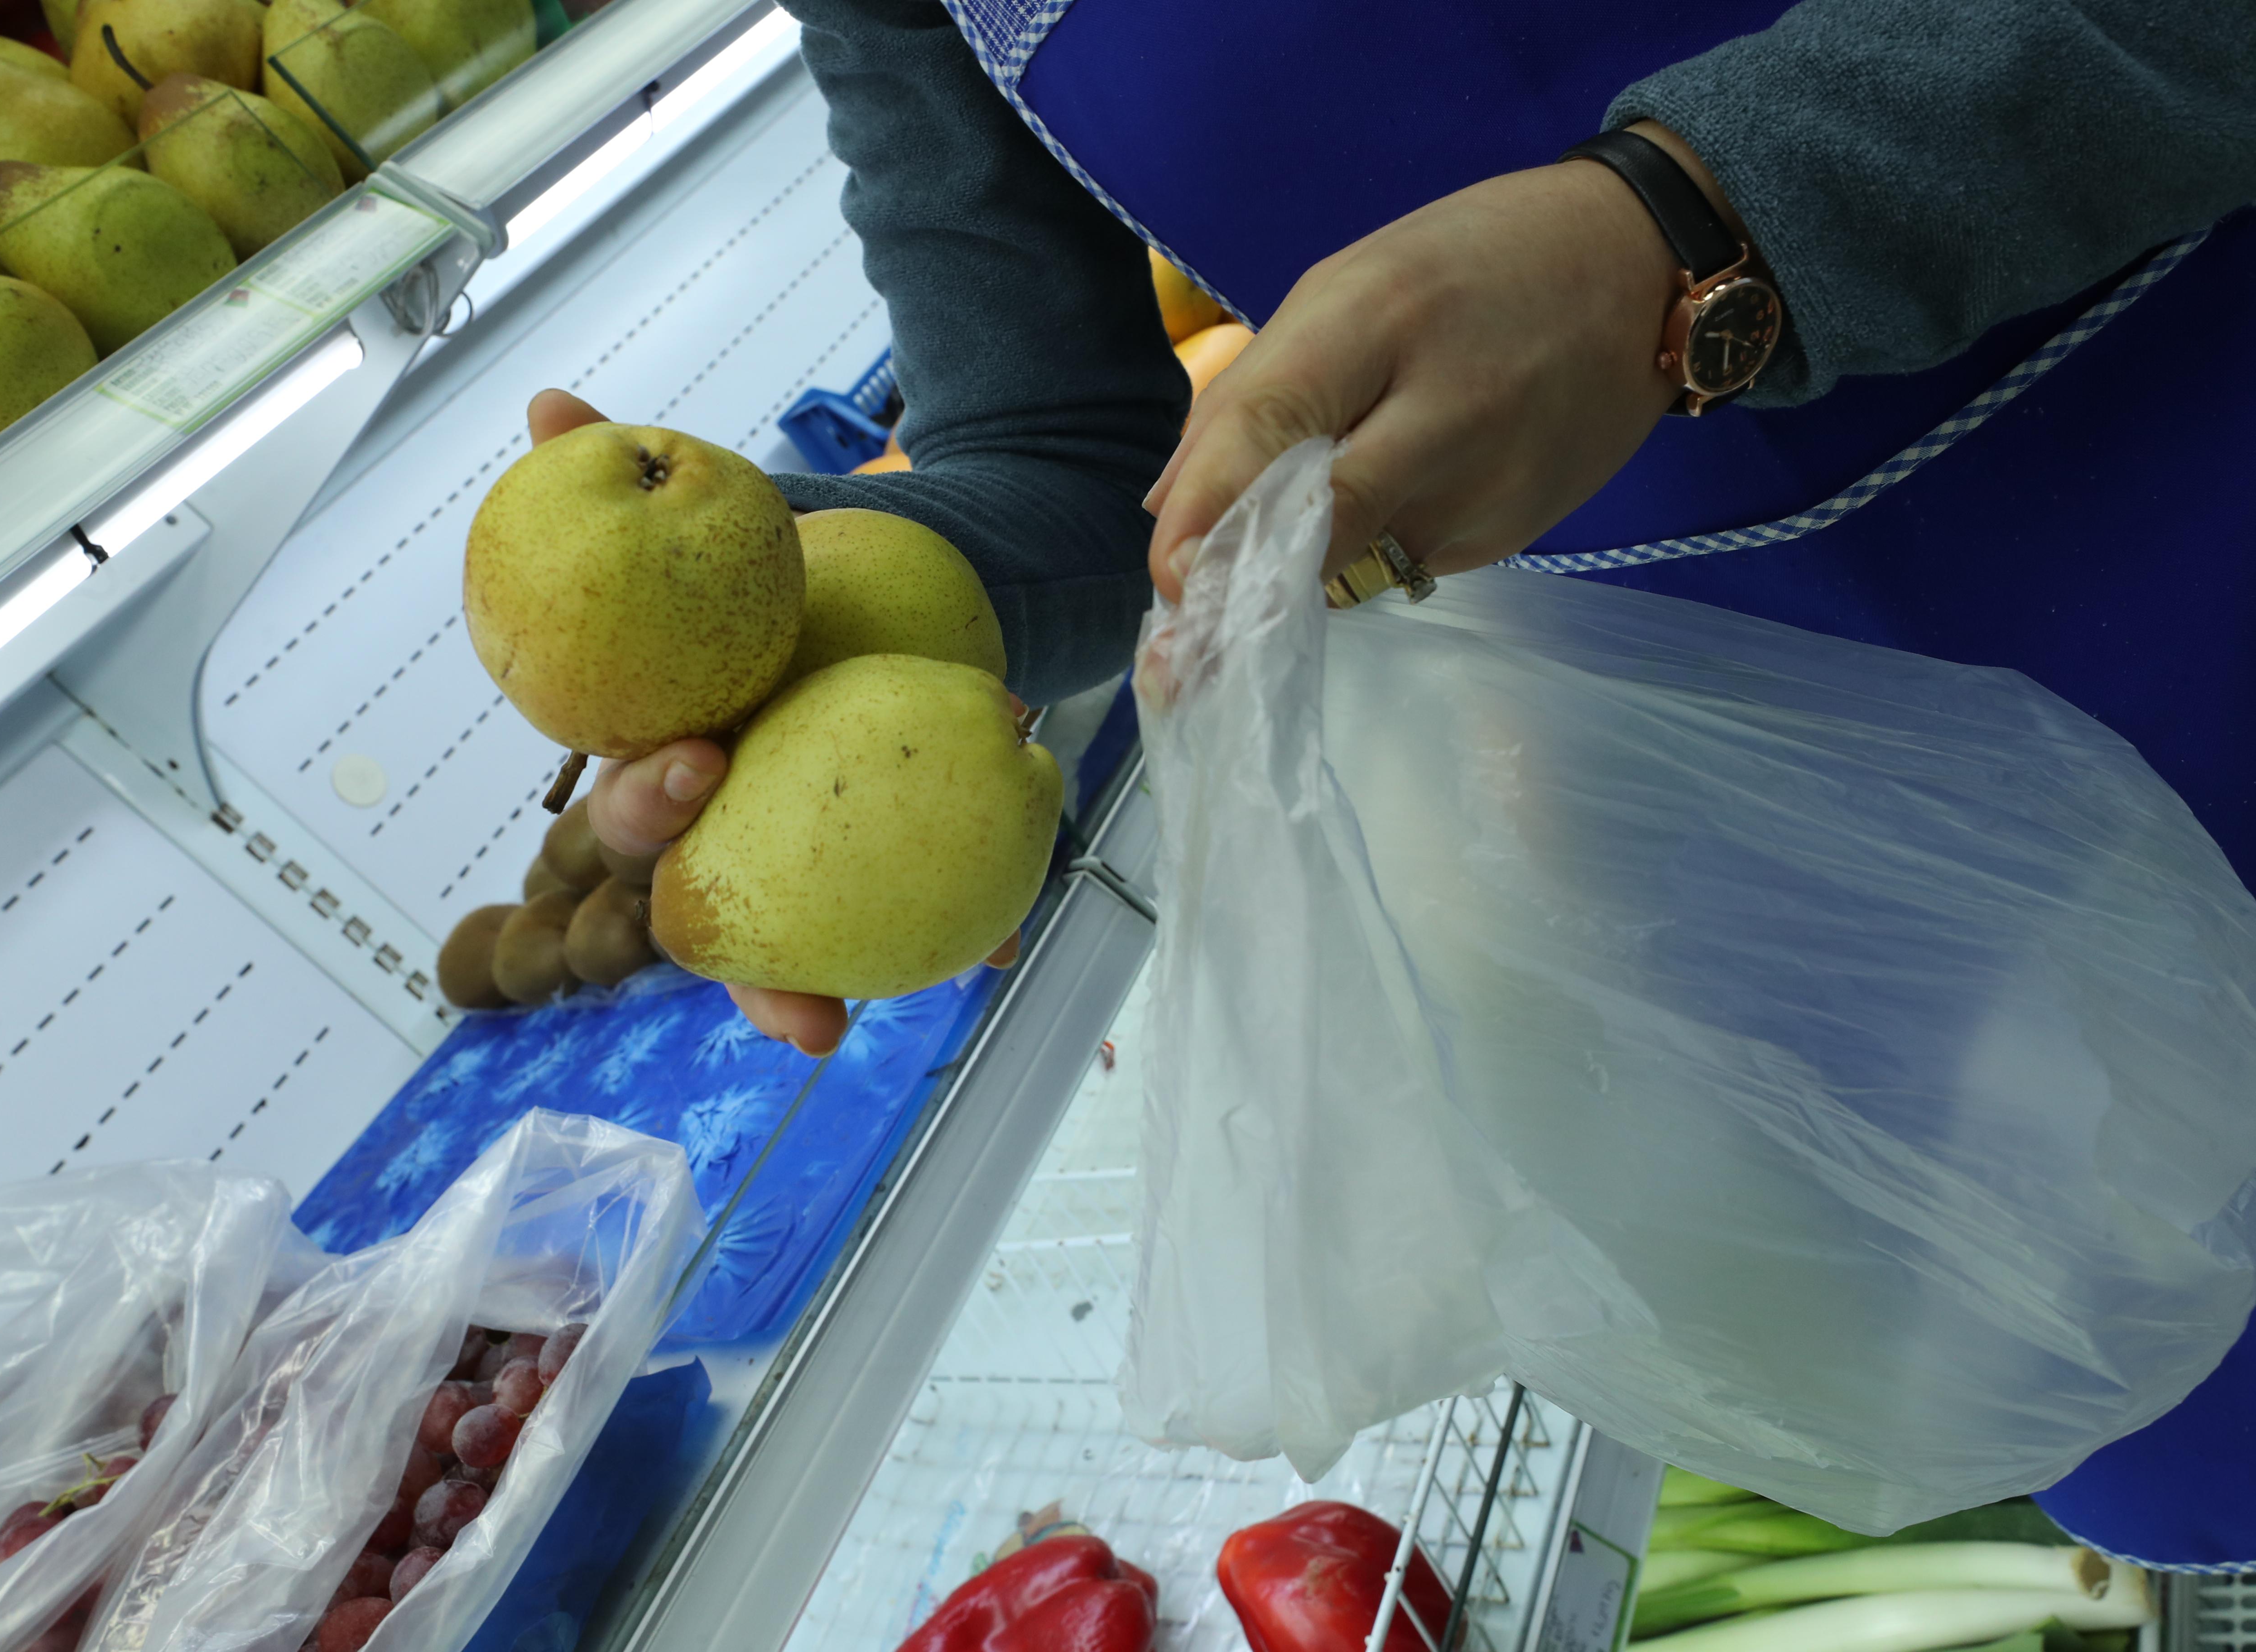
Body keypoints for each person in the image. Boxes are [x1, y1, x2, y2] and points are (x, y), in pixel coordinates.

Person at [541, 0, 2256, 1564]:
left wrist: (1689, 226)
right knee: (2174, 1342)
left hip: (2187, 436)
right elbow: (1069, 452)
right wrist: (813, 604)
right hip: (1805, 818)